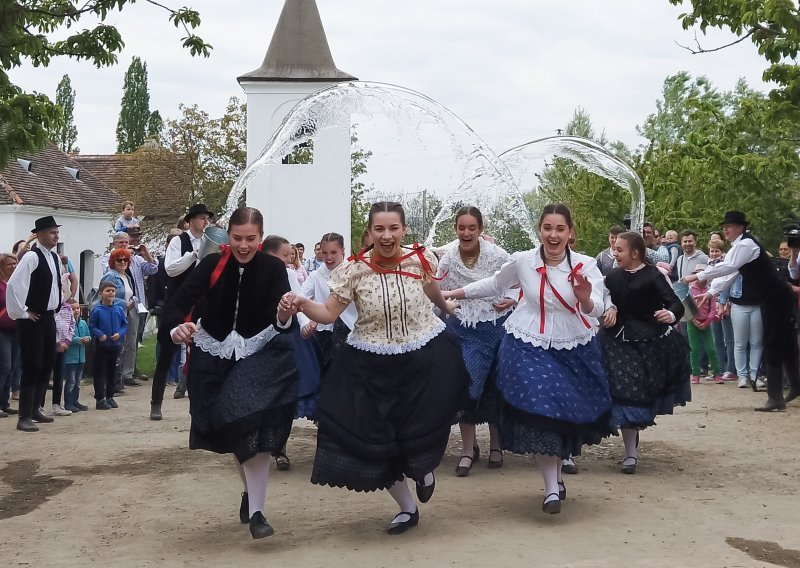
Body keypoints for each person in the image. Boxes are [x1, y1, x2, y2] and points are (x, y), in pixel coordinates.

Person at [285, 201, 468, 534]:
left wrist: (447, 305)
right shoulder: (352, 269)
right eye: (379, 229)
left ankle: (424, 470)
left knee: (419, 426)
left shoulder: (420, 258)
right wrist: (301, 303)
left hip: (422, 355)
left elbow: (432, 290)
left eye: (393, 228)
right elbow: (327, 313)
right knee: (374, 439)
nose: (386, 236)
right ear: (369, 232)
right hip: (370, 363)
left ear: (404, 229)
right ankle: (407, 508)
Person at [444, 204, 614, 515]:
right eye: (547, 228)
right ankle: (551, 488)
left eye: (560, 229)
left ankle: (558, 476)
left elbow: (599, 310)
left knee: (563, 411)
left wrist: (585, 296)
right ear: (540, 230)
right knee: (541, 407)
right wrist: (451, 293)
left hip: (573, 343)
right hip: (527, 342)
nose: (553, 234)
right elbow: (494, 285)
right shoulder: (522, 260)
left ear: (570, 233)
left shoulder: (587, 266)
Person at [163, 207, 299, 540]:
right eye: (237, 238)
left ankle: (257, 513)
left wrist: (282, 315)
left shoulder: (272, 268)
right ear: (228, 236)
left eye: (251, 239)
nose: (243, 245)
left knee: (256, 430)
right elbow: (177, 302)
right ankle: (250, 496)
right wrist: (176, 328)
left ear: (261, 237)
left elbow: (284, 322)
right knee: (233, 431)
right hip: (214, 355)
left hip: (259, 354)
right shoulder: (212, 263)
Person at [683, 211, 800, 411]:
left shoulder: (746, 244)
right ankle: (795, 386)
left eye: (730, 225)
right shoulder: (739, 247)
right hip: (774, 297)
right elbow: (731, 274)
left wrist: (697, 276)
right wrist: (710, 292)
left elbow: (728, 266)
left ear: (740, 227)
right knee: (786, 341)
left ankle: (775, 396)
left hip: (777, 297)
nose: (725, 229)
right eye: (725, 226)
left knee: (772, 341)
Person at [600, 231, 690, 472]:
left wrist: (669, 314)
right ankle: (630, 454)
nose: (615, 253)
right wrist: (609, 308)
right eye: (614, 249)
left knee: (637, 395)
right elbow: (602, 297)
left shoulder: (653, 275)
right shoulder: (612, 277)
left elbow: (675, 304)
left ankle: (632, 444)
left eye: (619, 250)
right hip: (616, 341)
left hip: (648, 342)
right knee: (623, 393)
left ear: (635, 253)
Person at [436, 206, 516, 476]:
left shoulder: (497, 255)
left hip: (496, 326)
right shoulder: (447, 259)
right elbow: (435, 289)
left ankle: (496, 446)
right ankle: (467, 450)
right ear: (455, 229)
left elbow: (519, 280)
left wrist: (513, 298)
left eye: (472, 227)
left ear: (481, 229)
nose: (466, 232)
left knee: (495, 385)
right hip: (463, 328)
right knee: (465, 386)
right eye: (462, 228)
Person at [150, 203, 213, 417]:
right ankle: (156, 403)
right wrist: (194, 255)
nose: (206, 222)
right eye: (202, 218)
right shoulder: (179, 241)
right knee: (167, 352)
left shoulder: (210, 241)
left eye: (207, 218)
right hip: (177, 300)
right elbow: (170, 269)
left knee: (203, 351)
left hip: (201, 302)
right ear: (191, 221)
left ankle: (200, 404)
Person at [6, 216, 64, 432]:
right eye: (52, 232)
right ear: (39, 235)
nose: (56, 236)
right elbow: (14, 285)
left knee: (48, 361)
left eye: (57, 232)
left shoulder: (55, 258)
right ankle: (24, 416)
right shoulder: (32, 257)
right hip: (33, 318)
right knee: (32, 364)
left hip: (48, 316)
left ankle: (36, 408)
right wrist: (21, 312)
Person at [102, 232, 157, 389]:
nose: (125, 244)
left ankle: (128, 373)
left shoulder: (136, 260)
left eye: (127, 242)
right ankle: (114, 376)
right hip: (117, 309)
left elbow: (153, 269)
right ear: (114, 244)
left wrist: (146, 253)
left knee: (132, 340)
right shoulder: (110, 261)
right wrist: (118, 257)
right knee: (117, 340)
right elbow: (106, 280)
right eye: (121, 242)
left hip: (134, 307)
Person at [90, 281, 127, 410]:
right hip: (102, 347)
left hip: (115, 345)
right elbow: (92, 326)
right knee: (100, 373)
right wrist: (100, 334)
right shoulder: (97, 311)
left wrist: (120, 333)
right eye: (108, 291)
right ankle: (100, 398)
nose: (111, 293)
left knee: (112, 372)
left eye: (112, 291)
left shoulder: (119, 309)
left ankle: (110, 396)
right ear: (101, 294)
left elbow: (124, 324)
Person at [687, 265, 722, 384]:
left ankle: (717, 373)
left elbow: (713, 309)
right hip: (693, 323)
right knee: (694, 349)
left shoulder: (710, 290)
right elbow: (687, 308)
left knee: (711, 348)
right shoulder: (690, 289)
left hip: (706, 322)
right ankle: (695, 374)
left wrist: (707, 322)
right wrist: (694, 321)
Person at [46, 288, 76, 416]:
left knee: (59, 376)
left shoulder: (67, 308)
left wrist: (66, 342)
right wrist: (57, 342)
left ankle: (57, 404)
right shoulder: (50, 309)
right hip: (50, 346)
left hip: (63, 347)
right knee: (45, 375)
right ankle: (39, 405)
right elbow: (50, 326)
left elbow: (71, 325)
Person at [0, 253, 20, 417]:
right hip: (2, 331)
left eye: (15, 263)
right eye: (9, 264)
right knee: (4, 367)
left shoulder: (16, 283)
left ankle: (4, 403)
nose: (13, 266)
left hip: (16, 331)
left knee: (12, 368)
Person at [63, 300, 91, 412]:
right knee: (71, 381)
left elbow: (89, 335)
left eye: (77, 308)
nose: (76, 311)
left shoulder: (83, 323)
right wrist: (79, 340)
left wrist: (88, 339)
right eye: (73, 309)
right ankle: (68, 403)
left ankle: (75, 401)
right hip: (70, 358)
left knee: (78, 382)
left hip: (81, 357)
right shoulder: (66, 323)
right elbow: (67, 337)